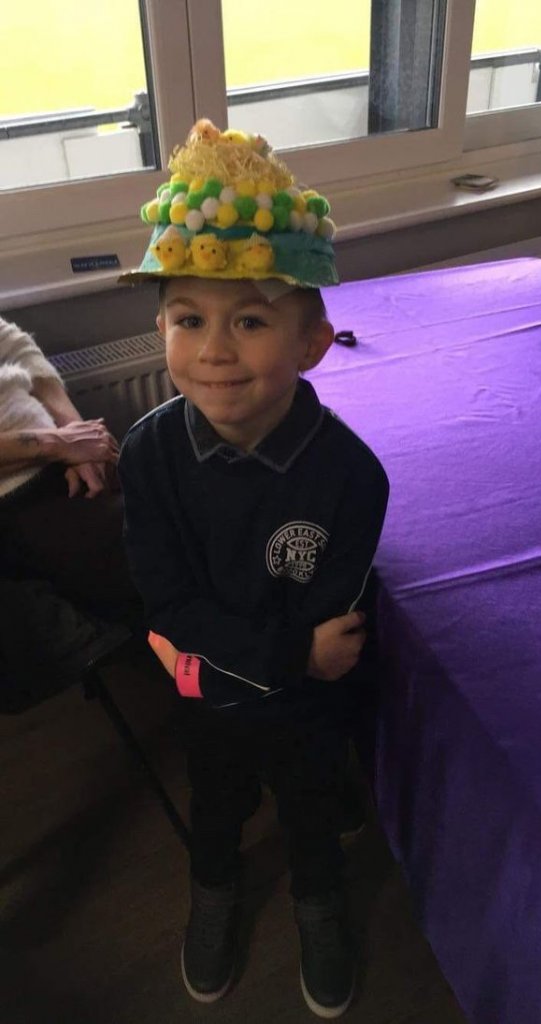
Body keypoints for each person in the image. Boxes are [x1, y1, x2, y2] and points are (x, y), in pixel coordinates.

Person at [118, 119, 389, 1018]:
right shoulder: (148, 454)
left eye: (250, 320)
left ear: (311, 343)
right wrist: (284, 657)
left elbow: (335, 637)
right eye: (188, 319)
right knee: (215, 804)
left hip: (299, 705)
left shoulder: (350, 476)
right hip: (215, 699)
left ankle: (318, 900)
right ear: (161, 328)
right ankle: (214, 889)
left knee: (310, 808)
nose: (214, 349)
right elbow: (167, 599)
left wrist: (228, 660)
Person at [0, 315, 141, 634]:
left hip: (60, 457)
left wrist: (73, 429)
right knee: (155, 546)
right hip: (16, 491)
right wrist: (55, 444)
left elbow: (16, 347)